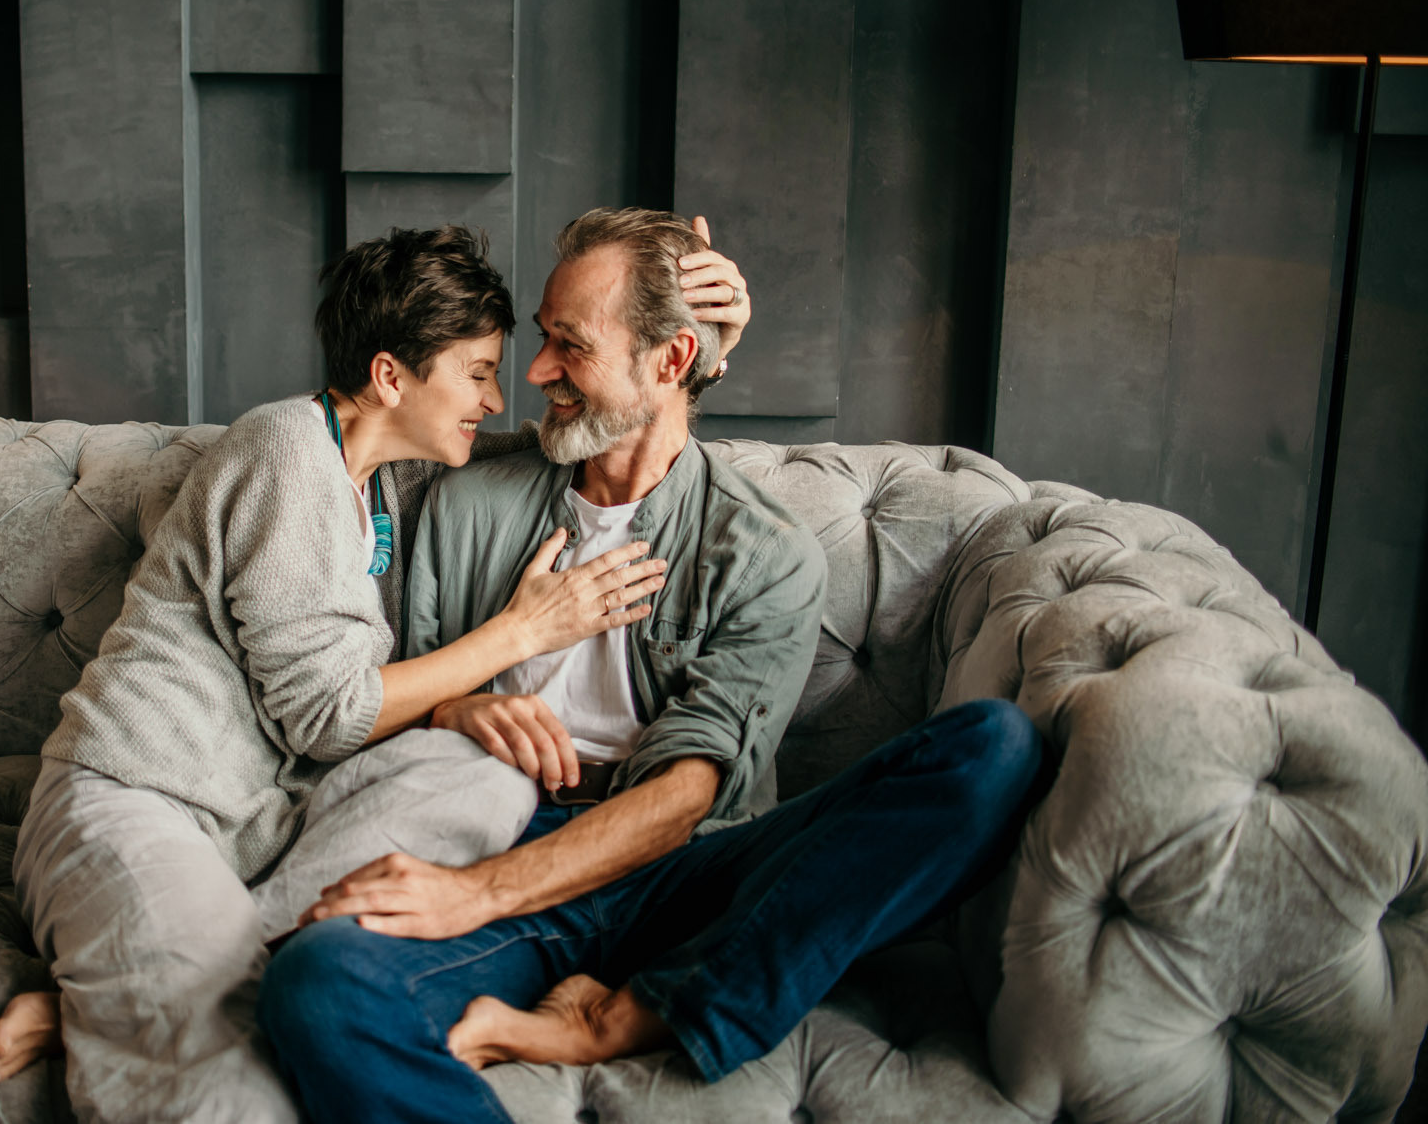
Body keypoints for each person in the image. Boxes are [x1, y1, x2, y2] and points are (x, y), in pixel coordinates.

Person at [257, 207, 1046, 1123]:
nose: (536, 372)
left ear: (670, 361)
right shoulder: (469, 498)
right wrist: (455, 710)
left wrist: (472, 898)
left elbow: (690, 791)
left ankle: (633, 1014)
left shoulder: (766, 550)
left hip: (686, 876)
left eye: (569, 346)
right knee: (319, 983)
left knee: (992, 748)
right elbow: (387, 689)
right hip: (494, 830)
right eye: (542, 340)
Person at [0, 224, 754, 1123]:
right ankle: (127, 992)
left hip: (252, 834)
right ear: (392, 377)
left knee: (482, 779)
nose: (497, 397)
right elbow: (328, 717)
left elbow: (604, 435)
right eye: (476, 373)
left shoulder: (381, 477)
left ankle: (98, 1001)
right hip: (135, 797)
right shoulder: (283, 453)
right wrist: (519, 632)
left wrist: (707, 356)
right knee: (237, 1075)